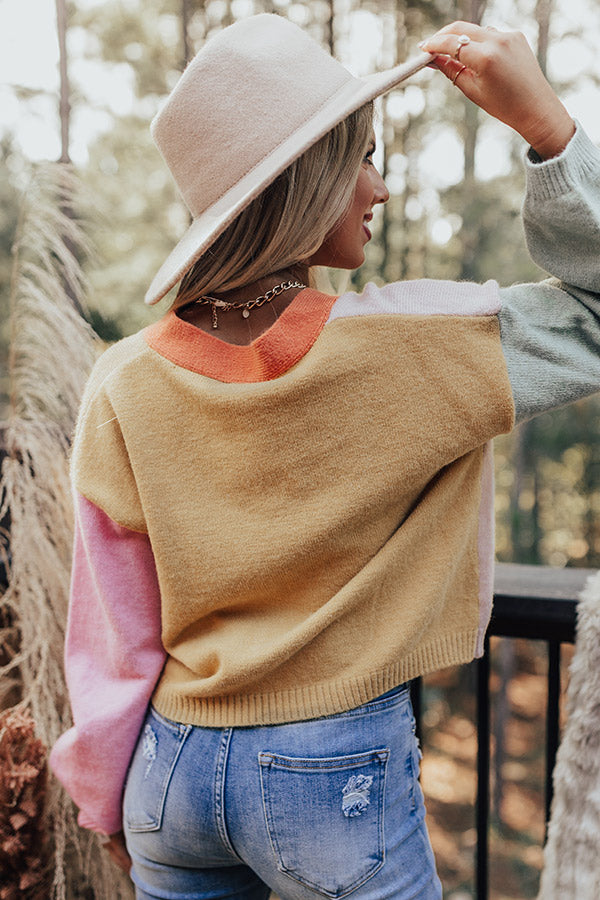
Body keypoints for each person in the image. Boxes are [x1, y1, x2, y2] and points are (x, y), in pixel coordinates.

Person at [50, 13, 600, 900]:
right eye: (362, 159)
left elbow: (114, 627)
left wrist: (105, 797)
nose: (378, 188)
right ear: (305, 186)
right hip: (328, 770)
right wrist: (548, 130)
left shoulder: (122, 380)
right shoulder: (420, 344)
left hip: (168, 770)